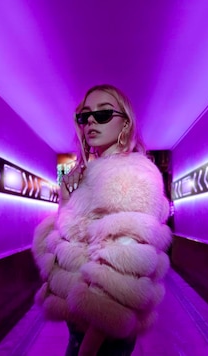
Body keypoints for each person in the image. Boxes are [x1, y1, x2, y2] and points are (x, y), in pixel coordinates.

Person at [32, 84, 172, 355]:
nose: (92, 121)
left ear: (125, 123)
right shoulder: (90, 175)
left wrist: (88, 348)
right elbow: (69, 239)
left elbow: (123, 273)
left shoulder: (131, 175)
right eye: (85, 116)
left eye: (104, 113)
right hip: (82, 323)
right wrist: (66, 197)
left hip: (101, 332)